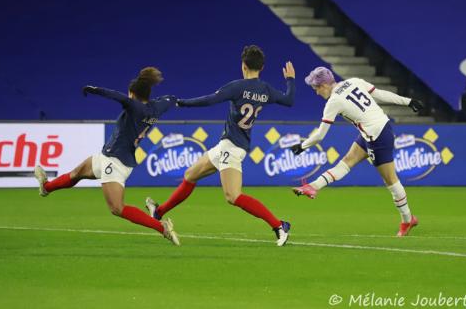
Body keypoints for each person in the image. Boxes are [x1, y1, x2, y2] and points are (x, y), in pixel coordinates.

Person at [145, 45, 296, 246]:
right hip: (229, 145)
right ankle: (159, 212)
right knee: (190, 175)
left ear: (243, 66)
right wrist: (290, 80)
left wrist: (181, 103)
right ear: (262, 67)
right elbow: (289, 100)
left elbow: (210, 100)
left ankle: (279, 225)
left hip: (231, 147)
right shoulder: (266, 90)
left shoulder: (237, 86)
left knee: (233, 196)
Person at [33, 67, 180, 245]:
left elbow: (117, 96)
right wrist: (183, 102)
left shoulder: (135, 106)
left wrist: (95, 90)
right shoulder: (156, 107)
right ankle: (46, 187)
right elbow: (171, 99)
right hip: (108, 155)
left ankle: (161, 227)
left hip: (115, 161)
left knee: (117, 208)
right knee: (77, 173)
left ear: (132, 93)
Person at [290, 66, 423, 237]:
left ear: (323, 85)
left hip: (377, 137)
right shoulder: (353, 81)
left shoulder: (333, 101)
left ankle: (407, 219)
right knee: (347, 161)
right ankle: (313, 186)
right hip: (379, 128)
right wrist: (408, 101)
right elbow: (380, 94)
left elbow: (320, 135)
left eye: (316, 88)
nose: (316, 93)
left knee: (390, 180)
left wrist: (303, 146)